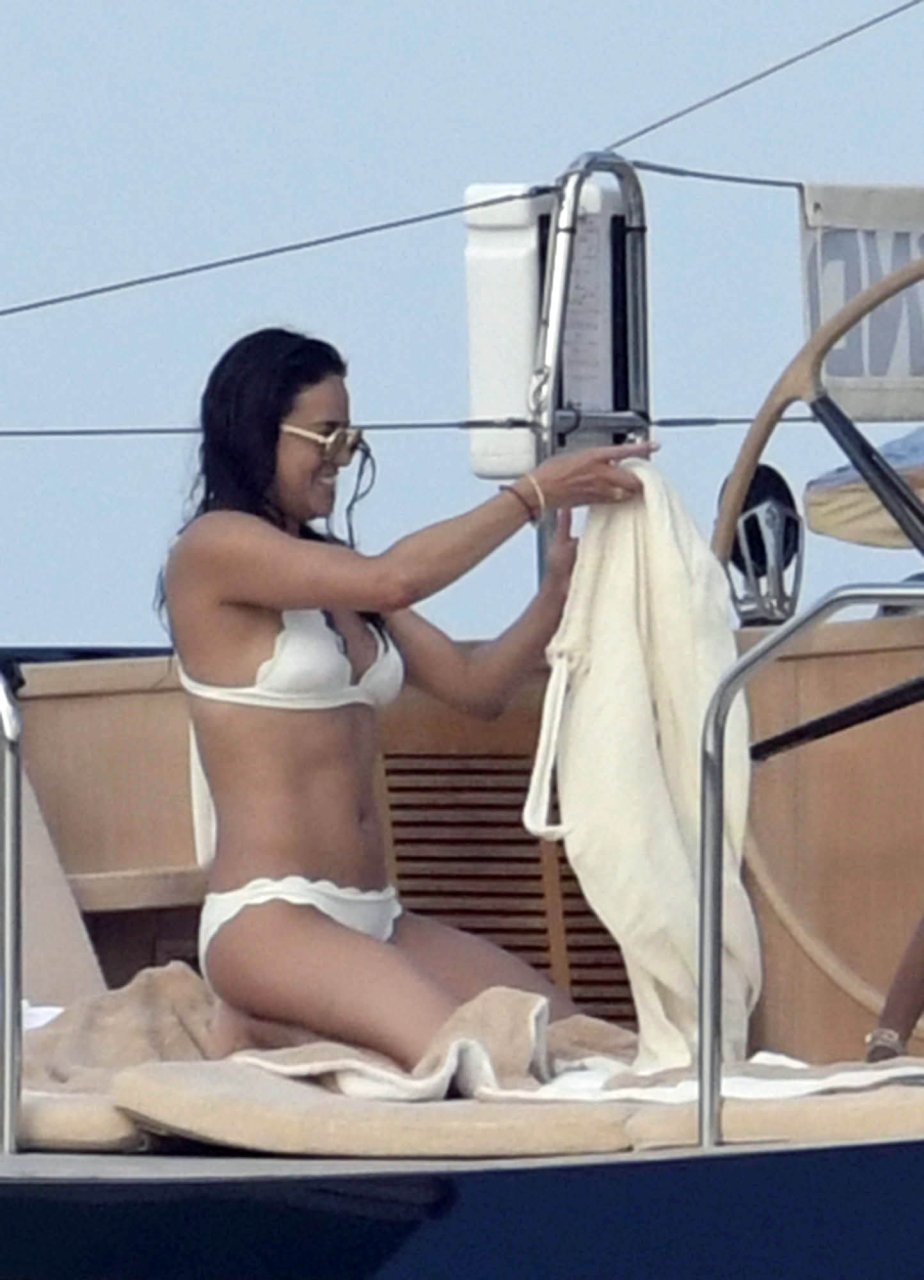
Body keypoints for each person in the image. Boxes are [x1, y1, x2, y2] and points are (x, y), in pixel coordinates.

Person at [164, 327, 656, 1068]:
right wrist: (532, 493)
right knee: (473, 1063)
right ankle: (269, 1021)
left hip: (377, 918)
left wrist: (556, 594)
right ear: (257, 429)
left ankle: (289, 1030)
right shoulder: (212, 549)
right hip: (270, 919)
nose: (342, 458)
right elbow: (394, 580)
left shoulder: (333, 569)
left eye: (349, 438)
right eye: (327, 436)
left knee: (576, 1045)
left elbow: (477, 687)